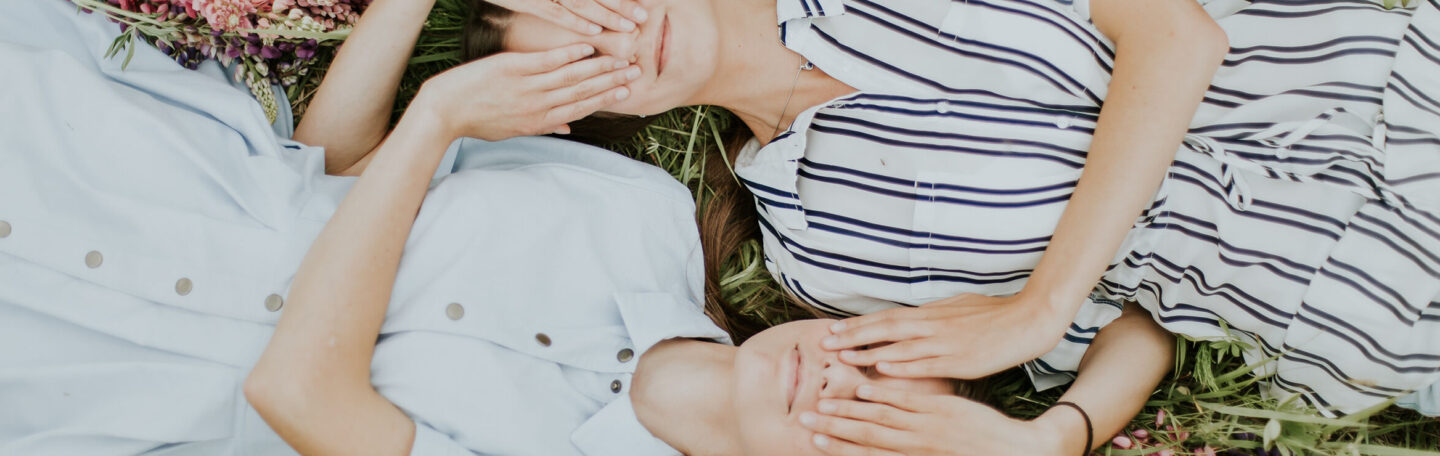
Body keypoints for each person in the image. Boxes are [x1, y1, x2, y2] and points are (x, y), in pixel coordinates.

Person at [0, 0, 1174, 455]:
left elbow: (303, 399)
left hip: (64, 362)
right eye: (875, 376)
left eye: (856, 430)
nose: (834, 377)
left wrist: (441, 117)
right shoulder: (644, 213)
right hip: (101, 154)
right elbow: (331, 175)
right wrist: (1053, 439)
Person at [464, 0, 1440, 452]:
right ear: (575, 114)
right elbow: (1139, 322)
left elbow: (1179, 34)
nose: (621, 34)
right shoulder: (818, 255)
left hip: (1385, 93)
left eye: (590, 4)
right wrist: (1055, 438)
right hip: (1346, 293)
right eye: (583, 60)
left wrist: (1039, 303)